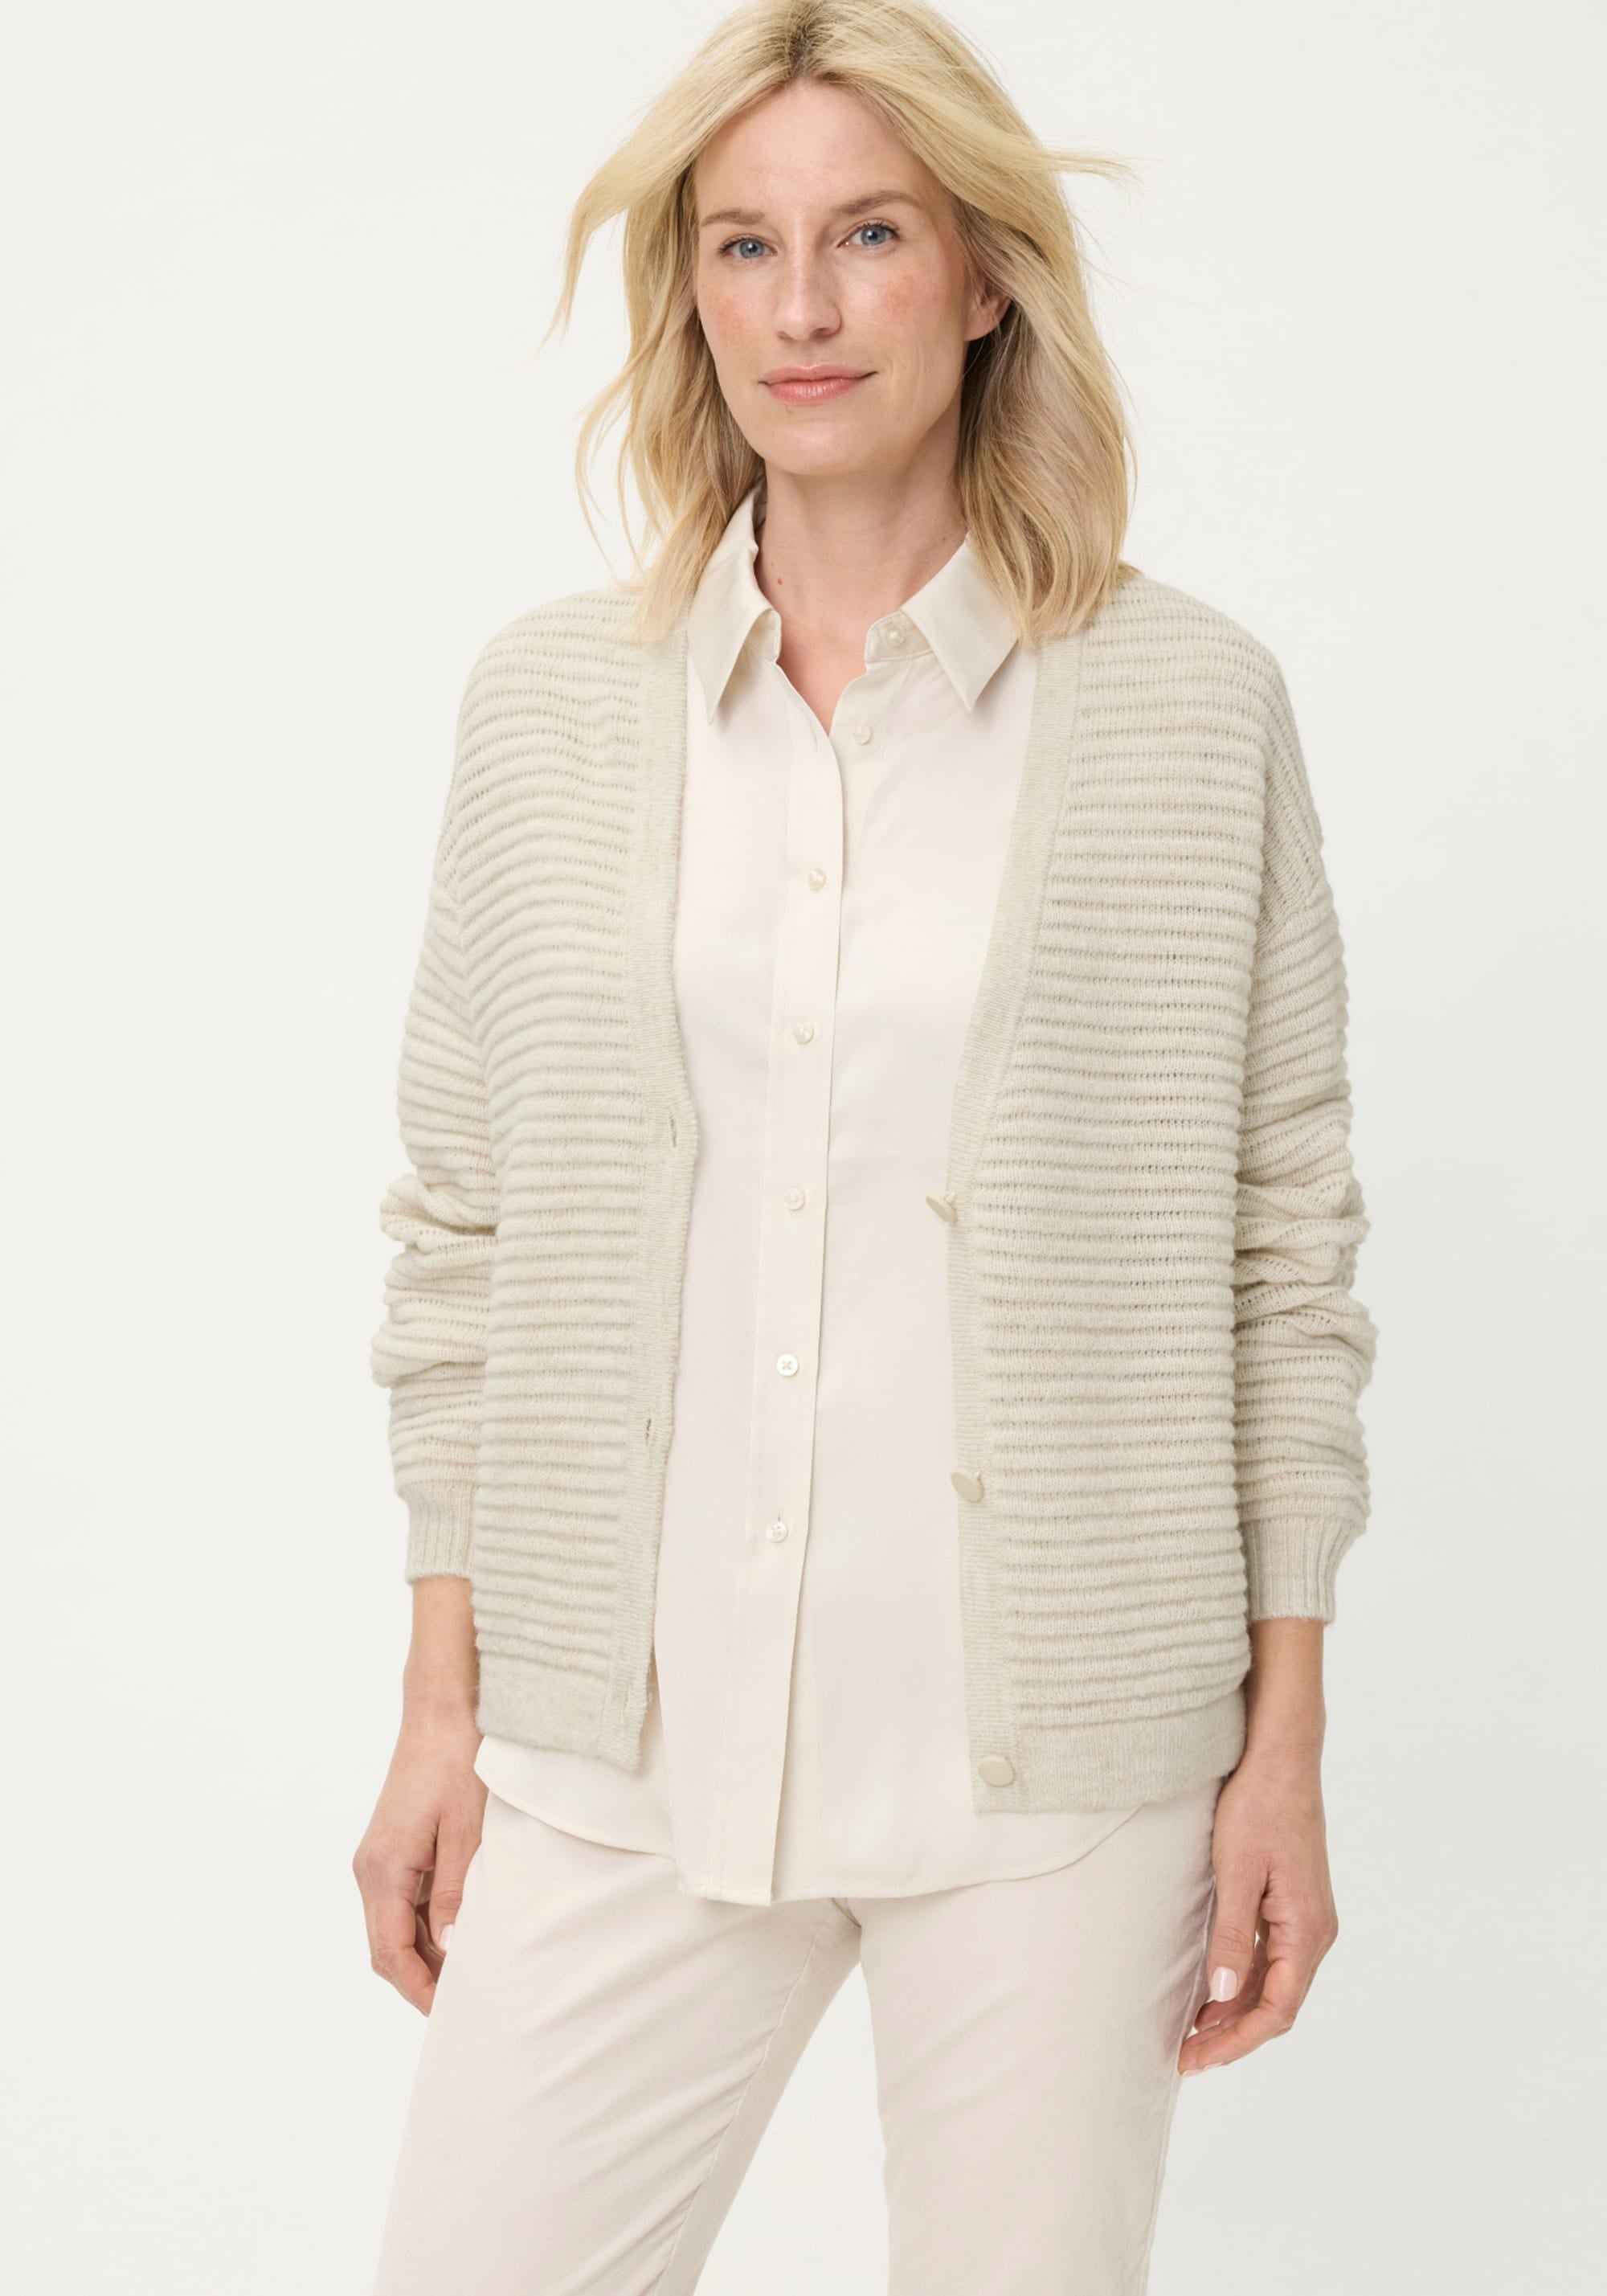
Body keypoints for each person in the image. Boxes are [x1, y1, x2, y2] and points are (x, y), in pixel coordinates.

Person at [353, 2, 1378, 2290]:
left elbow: (1280, 1247)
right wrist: (442, 1711)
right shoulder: (550, 708)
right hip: (625, 1748)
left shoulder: (1187, 705)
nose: (803, 306)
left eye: (871, 235)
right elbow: (467, 1240)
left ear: (985, 276)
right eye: (744, 245)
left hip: (1061, 1772)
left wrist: (1283, 1747)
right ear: (691, 292)